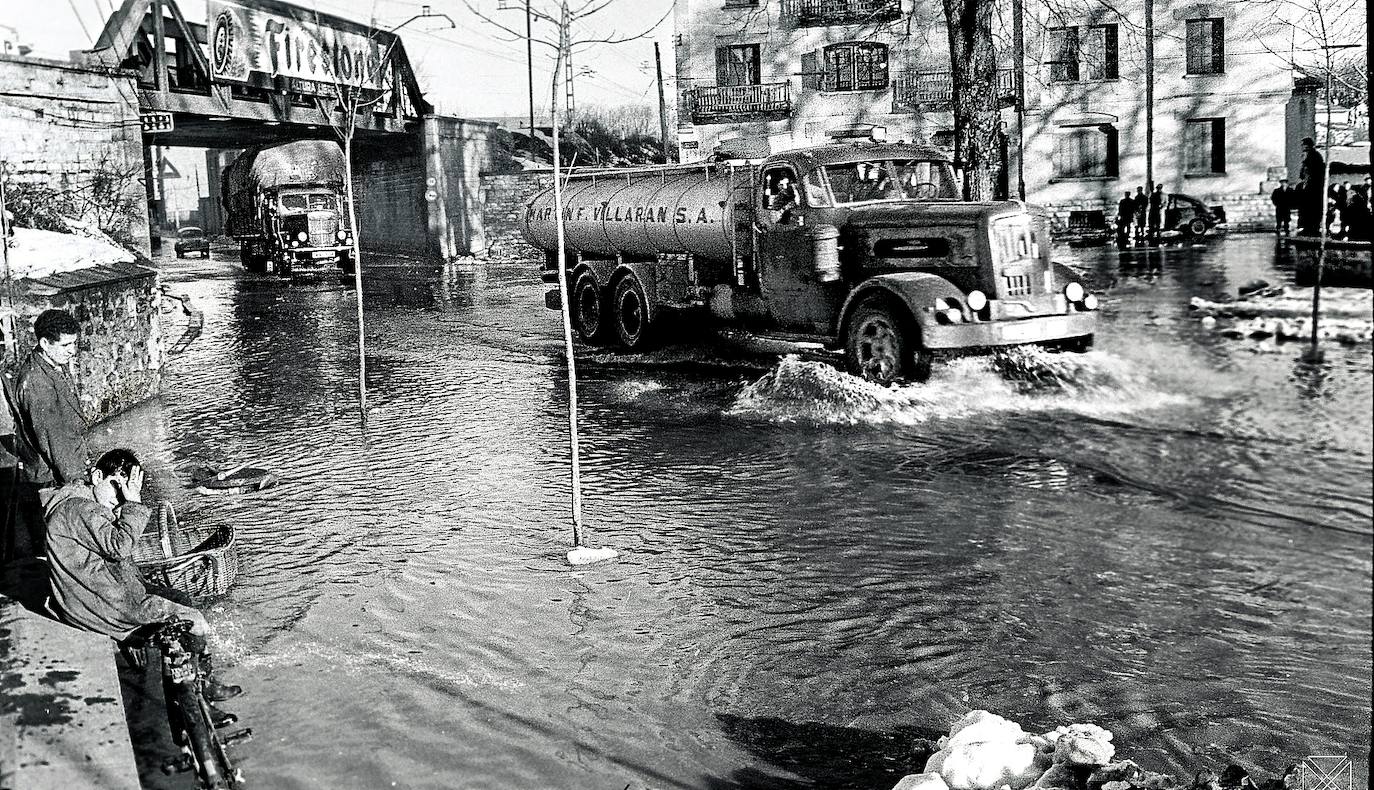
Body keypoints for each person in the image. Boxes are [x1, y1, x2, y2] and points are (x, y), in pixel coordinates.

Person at [43, 448, 242, 704]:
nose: (119, 496)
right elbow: (119, 546)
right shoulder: (81, 510)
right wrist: (133, 504)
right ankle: (197, 698)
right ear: (96, 476)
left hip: (93, 595)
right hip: (102, 606)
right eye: (116, 485)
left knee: (178, 597)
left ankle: (202, 685)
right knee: (194, 621)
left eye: (126, 488)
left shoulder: (77, 501)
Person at [13, 309, 91, 487]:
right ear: (45, 343)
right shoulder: (37, 384)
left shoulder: (52, 362)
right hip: (54, 478)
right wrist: (79, 482)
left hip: (65, 466)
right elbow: (54, 440)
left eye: (74, 343)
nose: (72, 351)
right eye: (65, 345)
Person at [1297, 137, 1325, 234]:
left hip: (1313, 186)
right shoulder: (1310, 155)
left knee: (1311, 206)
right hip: (1311, 185)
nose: (1302, 147)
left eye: (1303, 145)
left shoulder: (1314, 156)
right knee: (1307, 206)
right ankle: (1308, 227)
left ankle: (1312, 227)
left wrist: (1307, 181)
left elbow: (1311, 172)